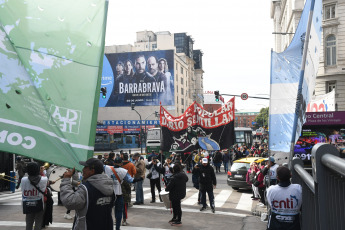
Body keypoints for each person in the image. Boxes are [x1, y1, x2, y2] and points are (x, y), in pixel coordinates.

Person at [60, 158, 114, 230]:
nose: (83, 170)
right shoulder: (109, 186)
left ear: (92, 171)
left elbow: (70, 202)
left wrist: (66, 180)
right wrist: (71, 181)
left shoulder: (86, 189)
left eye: (85, 167)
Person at [104, 157, 143, 229]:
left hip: (109, 193)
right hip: (118, 193)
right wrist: (140, 178)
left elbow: (100, 165)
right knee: (119, 212)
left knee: (107, 212)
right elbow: (131, 180)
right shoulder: (124, 171)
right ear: (121, 163)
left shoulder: (107, 168)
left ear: (114, 162)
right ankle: (117, 227)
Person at [21, 162, 48, 230]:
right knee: (38, 223)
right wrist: (41, 172)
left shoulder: (23, 180)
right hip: (39, 204)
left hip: (27, 204)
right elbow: (45, 183)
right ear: (37, 170)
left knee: (29, 223)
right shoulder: (44, 179)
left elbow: (22, 190)